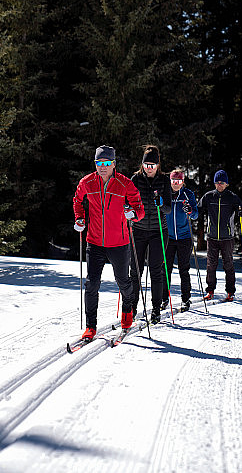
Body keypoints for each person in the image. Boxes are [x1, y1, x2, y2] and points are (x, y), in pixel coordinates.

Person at [73, 145, 145, 340]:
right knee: (91, 284)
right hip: (94, 242)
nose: (102, 167)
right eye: (99, 163)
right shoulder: (87, 182)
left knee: (123, 282)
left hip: (119, 243)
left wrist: (133, 215)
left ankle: (127, 312)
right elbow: (77, 201)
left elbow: (140, 209)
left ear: (114, 164)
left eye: (106, 163)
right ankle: (90, 326)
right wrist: (80, 219)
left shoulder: (124, 184)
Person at [129, 145, 172, 324]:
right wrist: (127, 208)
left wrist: (161, 203)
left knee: (155, 270)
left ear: (157, 165)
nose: (149, 167)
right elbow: (127, 201)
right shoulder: (135, 179)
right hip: (138, 231)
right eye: (146, 164)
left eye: (152, 164)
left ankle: (155, 309)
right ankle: (131, 308)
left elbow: (168, 209)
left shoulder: (164, 180)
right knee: (135, 271)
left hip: (158, 232)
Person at [198, 169, 242, 302]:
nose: (219, 185)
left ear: (227, 184)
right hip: (212, 237)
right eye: (217, 182)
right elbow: (197, 210)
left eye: (222, 182)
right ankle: (210, 291)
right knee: (211, 265)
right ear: (214, 183)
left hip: (227, 237)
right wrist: (190, 211)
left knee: (228, 265)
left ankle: (230, 292)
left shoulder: (232, 197)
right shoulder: (209, 196)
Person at [164, 168, 199, 312]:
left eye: (178, 181)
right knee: (166, 269)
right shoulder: (165, 193)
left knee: (184, 269)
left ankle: (186, 298)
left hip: (184, 237)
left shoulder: (187, 194)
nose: (176, 184)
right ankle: (164, 298)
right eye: (173, 181)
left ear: (182, 182)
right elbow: (158, 209)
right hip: (169, 238)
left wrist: (190, 210)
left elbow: (195, 215)